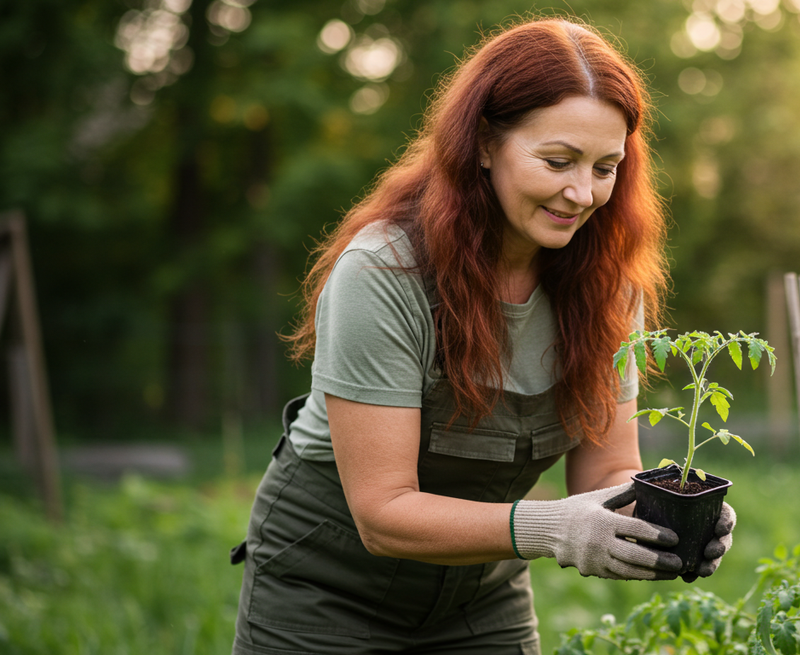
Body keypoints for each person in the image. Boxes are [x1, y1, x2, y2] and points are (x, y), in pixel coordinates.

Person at [230, 17, 736, 655]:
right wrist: (555, 528)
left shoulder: (606, 286)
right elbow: (383, 514)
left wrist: (668, 515)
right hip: (324, 590)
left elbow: (606, 470)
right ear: (484, 144)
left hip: (480, 595)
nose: (581, 193)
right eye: (557, 161)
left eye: (606, 168)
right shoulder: (384, 274)